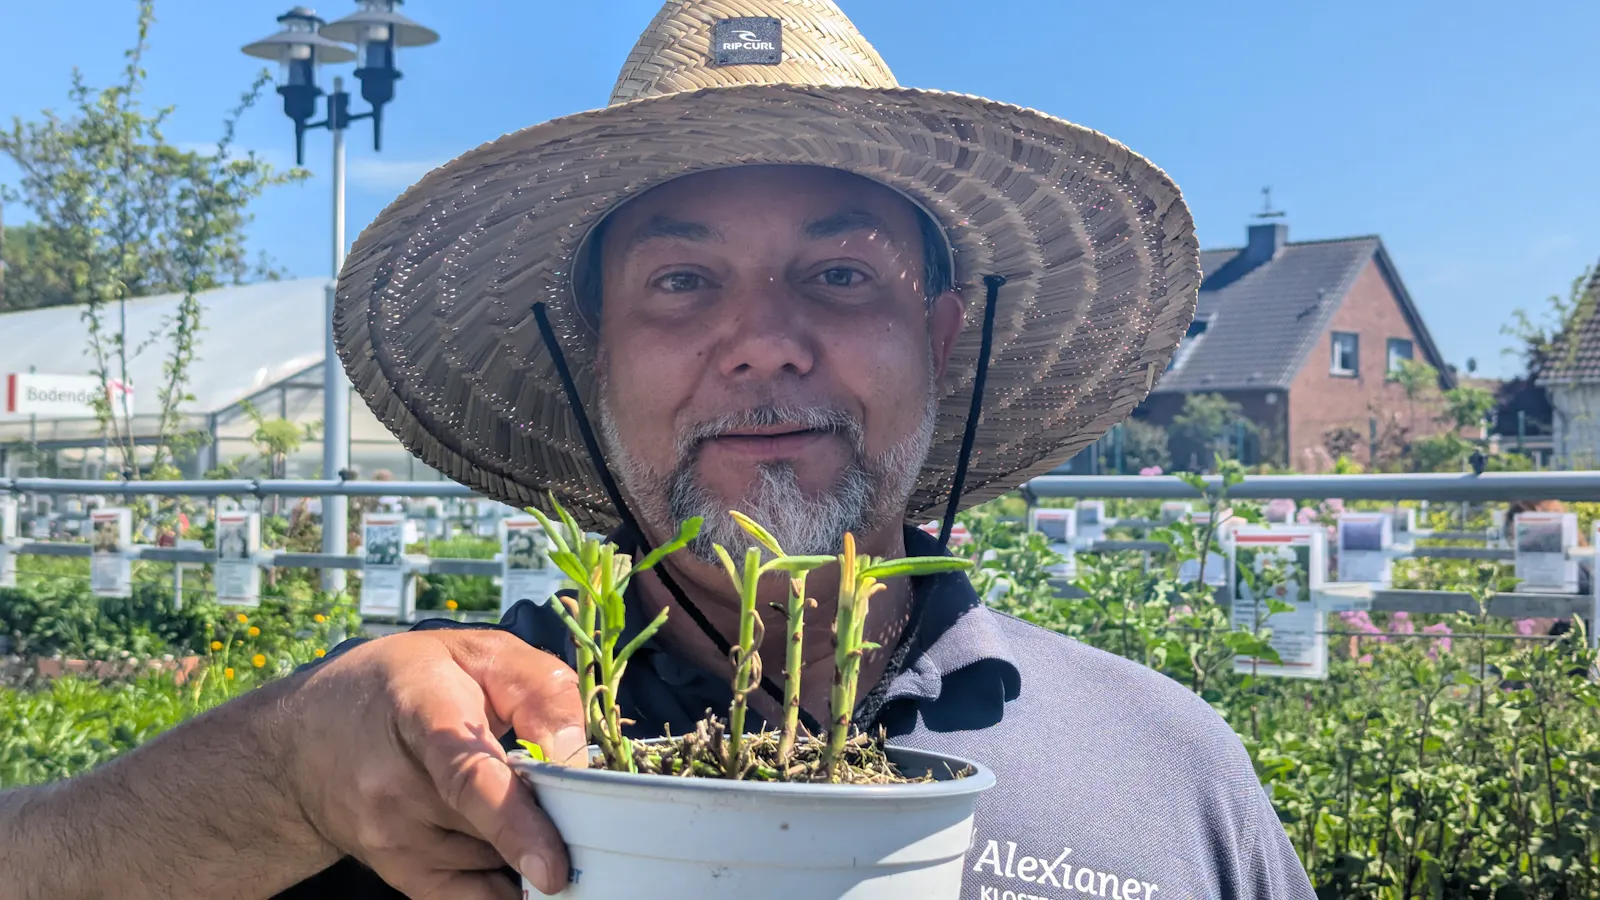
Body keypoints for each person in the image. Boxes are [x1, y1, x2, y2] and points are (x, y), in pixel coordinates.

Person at [0, 2, 1316, 899]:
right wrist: (281, 774)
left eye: (841, 273)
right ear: (590, 363)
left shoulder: (1169, 764)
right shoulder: (418, 761)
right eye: (682, 283)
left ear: (945, 337)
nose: (763, 342)